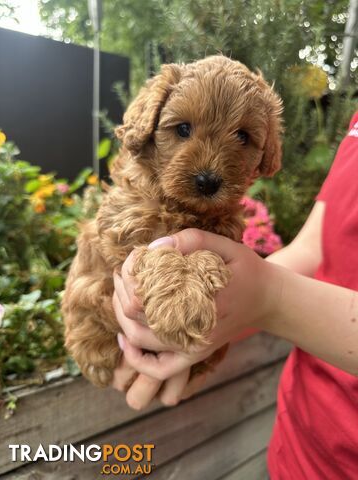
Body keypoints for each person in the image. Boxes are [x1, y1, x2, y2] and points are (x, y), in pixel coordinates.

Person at [111, 112, 358, 478]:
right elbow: (315, 247)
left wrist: (269, 299)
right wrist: (221, 313)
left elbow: (271, 294)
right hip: (299, 444)